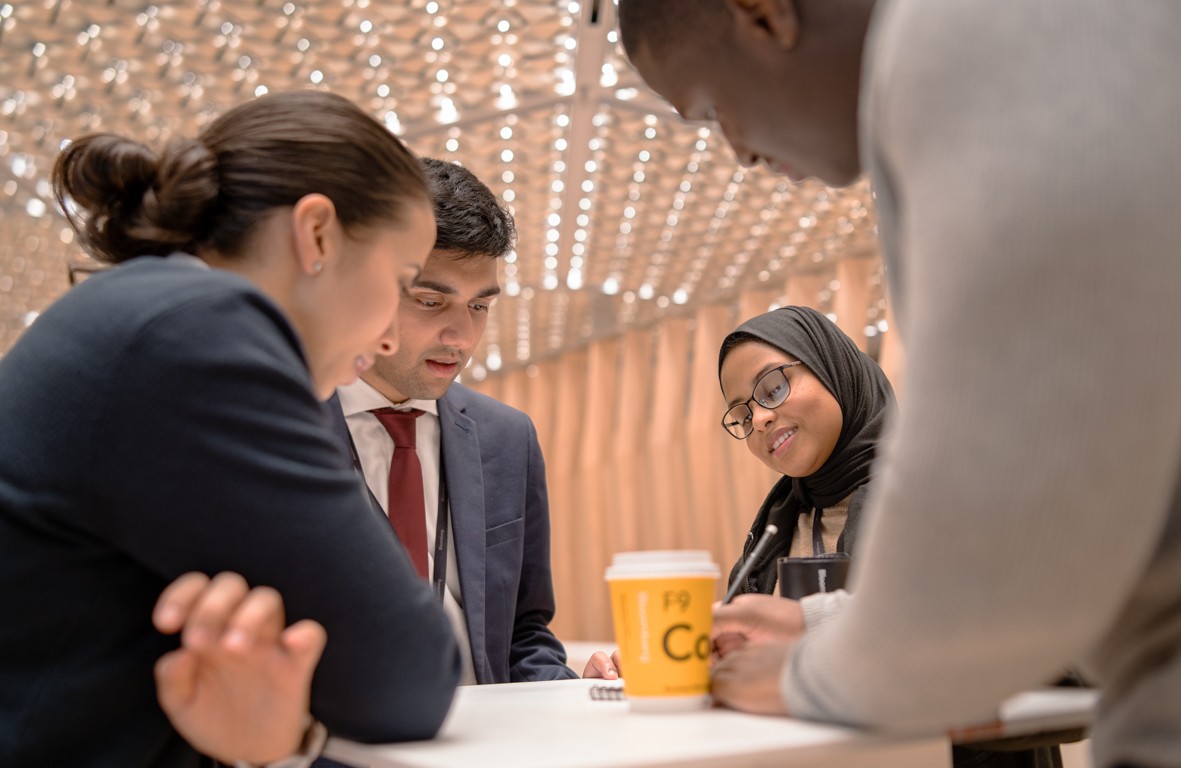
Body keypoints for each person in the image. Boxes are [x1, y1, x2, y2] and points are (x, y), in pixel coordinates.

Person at [618, 1, 1181, 766]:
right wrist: (821, 625)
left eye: (715, 112)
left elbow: (1013, 554)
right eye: (741, 411)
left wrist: (814, 669)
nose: (738, 154)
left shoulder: (979, 40)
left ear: (762, 14)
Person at [0, 89, 461, 767]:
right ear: (317, 235)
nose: (391, 336)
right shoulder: (198, 329)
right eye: (400, 279)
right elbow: (406, 678)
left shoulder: (148, 312)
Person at [325, 157, 611, 684]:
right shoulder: (281, 424)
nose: (461, 337)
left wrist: (572, 696)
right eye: (432, 301)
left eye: (479, 307)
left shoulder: (506, 438)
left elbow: (524, 632)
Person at [718, 306, 894, 596]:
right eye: (745, 417)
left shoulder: (930, 499)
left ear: (831, 368)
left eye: (773, 389)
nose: (760, 420)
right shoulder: (776, 530)